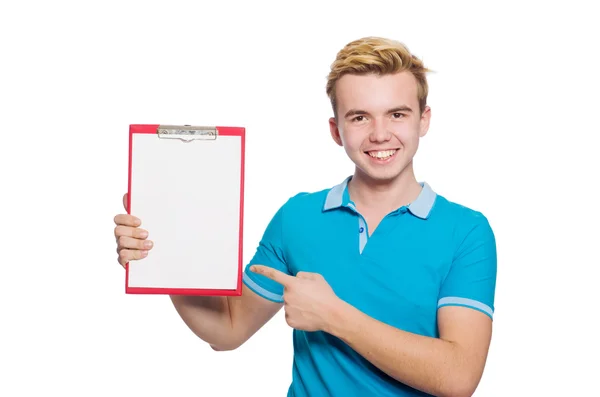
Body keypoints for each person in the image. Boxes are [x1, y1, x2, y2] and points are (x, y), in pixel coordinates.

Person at [114, 36, 497, 397]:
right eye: (360, 117)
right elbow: (227, 330)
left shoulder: (466, 232)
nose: (380, 134)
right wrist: (164, 257)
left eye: (397, 114)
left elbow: (458, 376)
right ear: (336, 129)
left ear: (423, 120)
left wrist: (334, 316)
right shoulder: (297, 217)